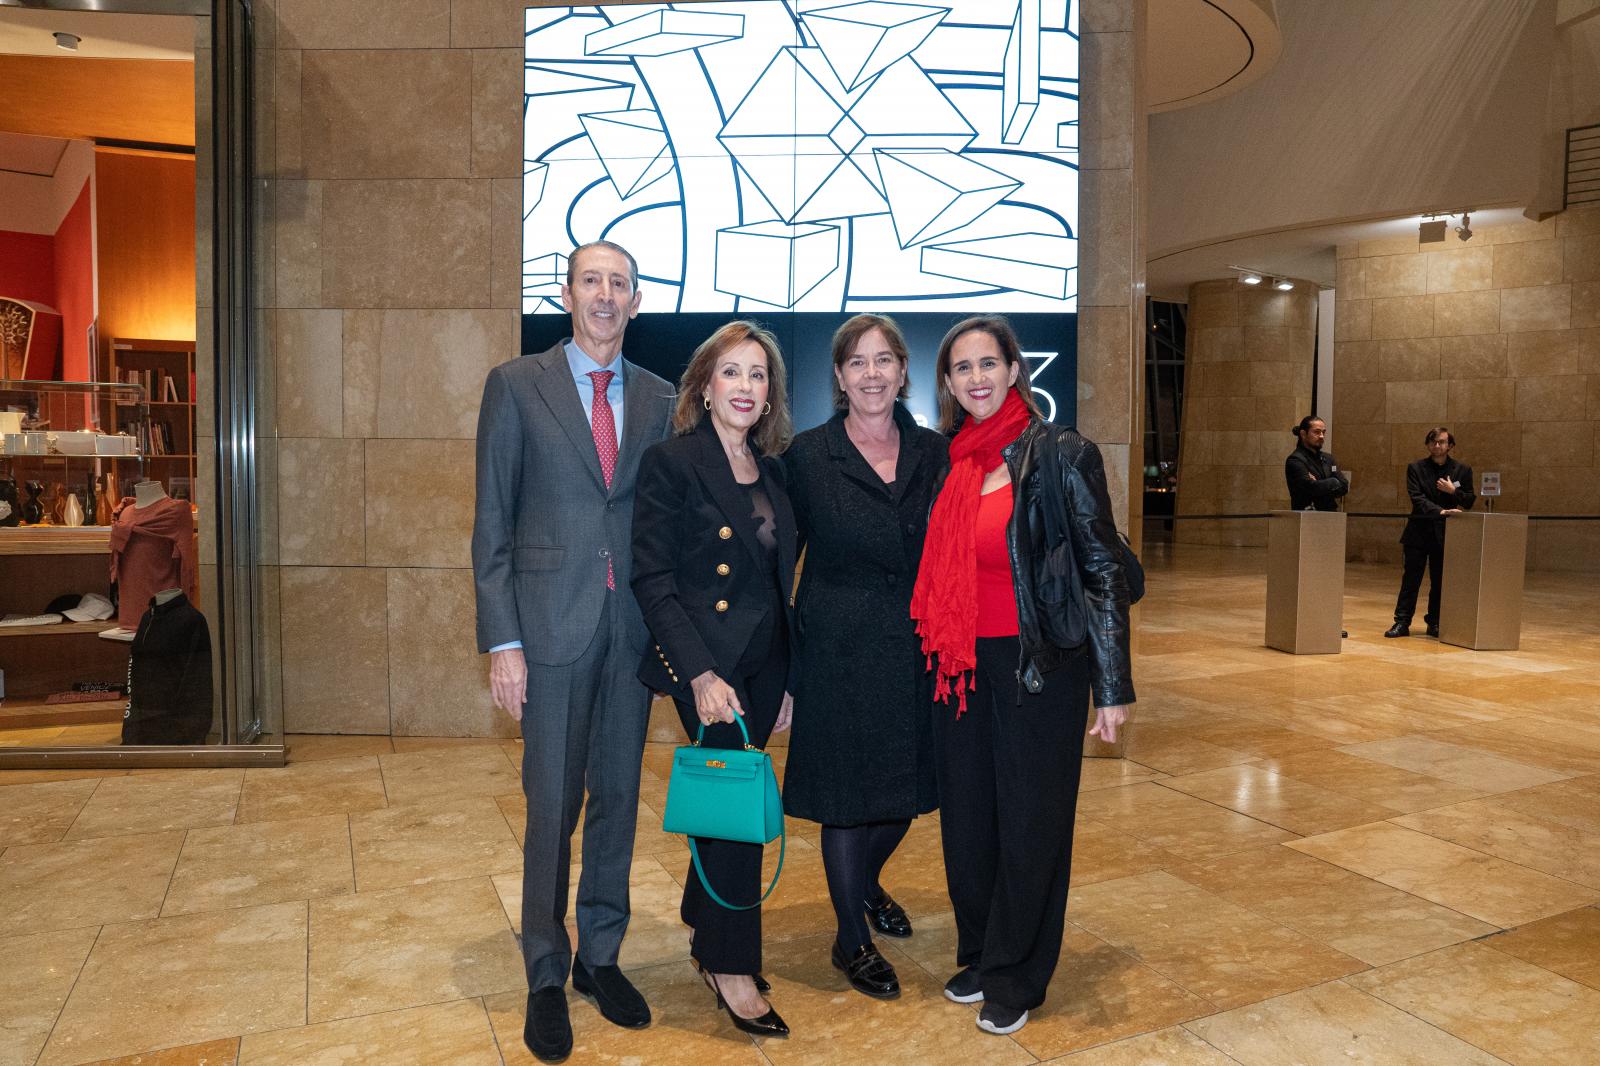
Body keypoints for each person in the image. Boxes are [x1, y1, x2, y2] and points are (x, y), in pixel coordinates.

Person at [471, 240, 675, 1063]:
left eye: (619, 284)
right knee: (552, 805)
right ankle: (545, 972)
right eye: (591, 280)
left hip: (630, 632)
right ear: (566, 293)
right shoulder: (517, 386)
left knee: (620, 799)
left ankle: (601, 956)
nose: (604, 295)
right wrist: (503, 641)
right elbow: (492, 521)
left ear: (636, 301)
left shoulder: (662, 398)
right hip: (547, 633)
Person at [913, 315, 1135, 1037]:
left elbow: (1103, 568)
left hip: (1040, 667)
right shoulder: (955, 462)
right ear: (947, 383)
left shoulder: (1060, 453)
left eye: (988, 363)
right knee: (971, 819)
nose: (976, 377)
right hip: (962, 668)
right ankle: (981, 951)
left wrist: (1112, 685)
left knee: (1032, 822)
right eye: (961, 368)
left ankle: (1017, 973)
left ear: (1014, 369)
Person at [631, 320, 798, 1039]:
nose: (745, 387)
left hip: (766, 663)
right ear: (704, 387)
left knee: (732, 801)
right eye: (731, 372)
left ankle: (705, 923)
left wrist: (788, 677)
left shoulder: (775, 470)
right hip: (706, 663)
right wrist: (698, 674)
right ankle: (731, 967)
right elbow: (652, 578)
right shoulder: (673, 462)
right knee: (734, 820)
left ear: (769, 397)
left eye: (758, 376)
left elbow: (775, 581)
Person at [781, 314, 949, 1000]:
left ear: (905, 372)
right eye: (858, 363)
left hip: (917, 648)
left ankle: (868, 885)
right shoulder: (806, 455)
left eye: (885, 360)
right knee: (847, 803)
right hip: (835, 652)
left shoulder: (936, 452)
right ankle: (850, 937)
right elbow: (779, 564)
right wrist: (780, 670)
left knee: (904, 794)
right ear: (841, 377)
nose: (873, 374)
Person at [1386, 426, 1475, 638]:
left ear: (1450, 445)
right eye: (1433, 442)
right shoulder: (1415, 468)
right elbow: (1417, 498)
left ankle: (1434, 622)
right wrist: (1441, 511)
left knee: (1440, 580)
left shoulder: (1462, 470)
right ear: (1428, 445)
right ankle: (1402, 622)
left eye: (1442, 442)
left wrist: (1454, 491)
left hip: (1446, 534)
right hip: (1418, 531)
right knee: (1411, 580)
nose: (1437, 445)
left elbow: (1470, 501)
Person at [1284, 415, 1347, 511]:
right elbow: (1310, 488)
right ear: (1303, 434)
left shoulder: (1329, 459)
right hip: (1307, 517)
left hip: (1331, 517)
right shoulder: (1295, 460)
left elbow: (1344, 486)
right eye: (1317, 432)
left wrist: (1318, 483)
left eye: (1323, 432)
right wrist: (1333, 481)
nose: (1321, 436)